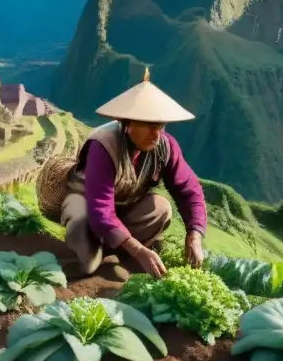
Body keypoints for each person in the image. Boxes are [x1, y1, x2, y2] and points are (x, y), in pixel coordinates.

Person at [61, 68, 207, 278]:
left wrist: (195, 235)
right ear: (127, 123)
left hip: (124, 208)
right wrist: (138, 249)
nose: (155, 134)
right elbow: (100, 210)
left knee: (161, 208)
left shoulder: (166, 147)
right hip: (87, 206)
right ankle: (96, 254)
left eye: (160, 125)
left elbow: (189, 191)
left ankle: (119, 252)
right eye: (148, 125)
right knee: (87, 252)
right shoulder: (103, 146)